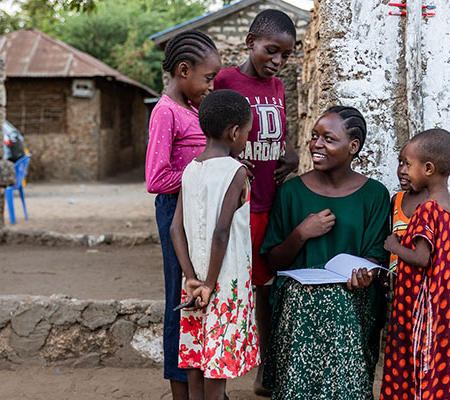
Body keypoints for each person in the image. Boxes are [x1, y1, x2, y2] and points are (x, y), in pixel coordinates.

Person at [261, 106, 390, 400]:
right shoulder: (291, 192)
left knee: (338, 300)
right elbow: (274, 261)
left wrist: (365, 275)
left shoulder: (375, 195)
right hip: (298, 291)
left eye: (329, 139)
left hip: (354, 294)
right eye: (314, 137)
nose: (317, 145)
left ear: (353, 147)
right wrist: (301, 233)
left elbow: (374, 259)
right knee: (311, 299)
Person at [212, 9, 299, 395]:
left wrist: (291, 153)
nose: (277, 61)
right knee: (231, 289)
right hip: (240, 206)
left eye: (285, 55)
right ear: (250, 43)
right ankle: (221, 373)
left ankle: (267, 369)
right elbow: (212, 135)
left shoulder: (277, 88)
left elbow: (278, 133)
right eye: (271, 51)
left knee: (266, 291)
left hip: (270, 203)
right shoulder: (225, 81)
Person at [144, 30, 221, 400]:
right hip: (176, 213)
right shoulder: (165, 112)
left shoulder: (191, 110)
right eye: (208, 78)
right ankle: (180, 389)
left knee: (200, 295)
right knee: (181, 297)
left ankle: (202, 384)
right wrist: (201, 171)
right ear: (184, 70)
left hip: (198, 214)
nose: (211, 85)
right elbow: (156, 178)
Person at [171, 89, 259, 400]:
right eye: (247, 133)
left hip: (193, 282)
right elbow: (222, 232)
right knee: (217, 364)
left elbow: (175, 229)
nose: (246, 139)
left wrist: (192, 278)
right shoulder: (235, 171)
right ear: (234, 132)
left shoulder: (191, 169)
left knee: (196, 356)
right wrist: (209, 283)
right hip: (224, 283)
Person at [380, 129, 450, 400]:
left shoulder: (427, 209)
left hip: (420, 303)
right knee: (437, 360)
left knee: (412, 356)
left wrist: (394, 246)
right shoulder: (447, 205)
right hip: (442, 302)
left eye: (407, 163)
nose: (403, 169)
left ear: (428, 168)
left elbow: (421, 258)